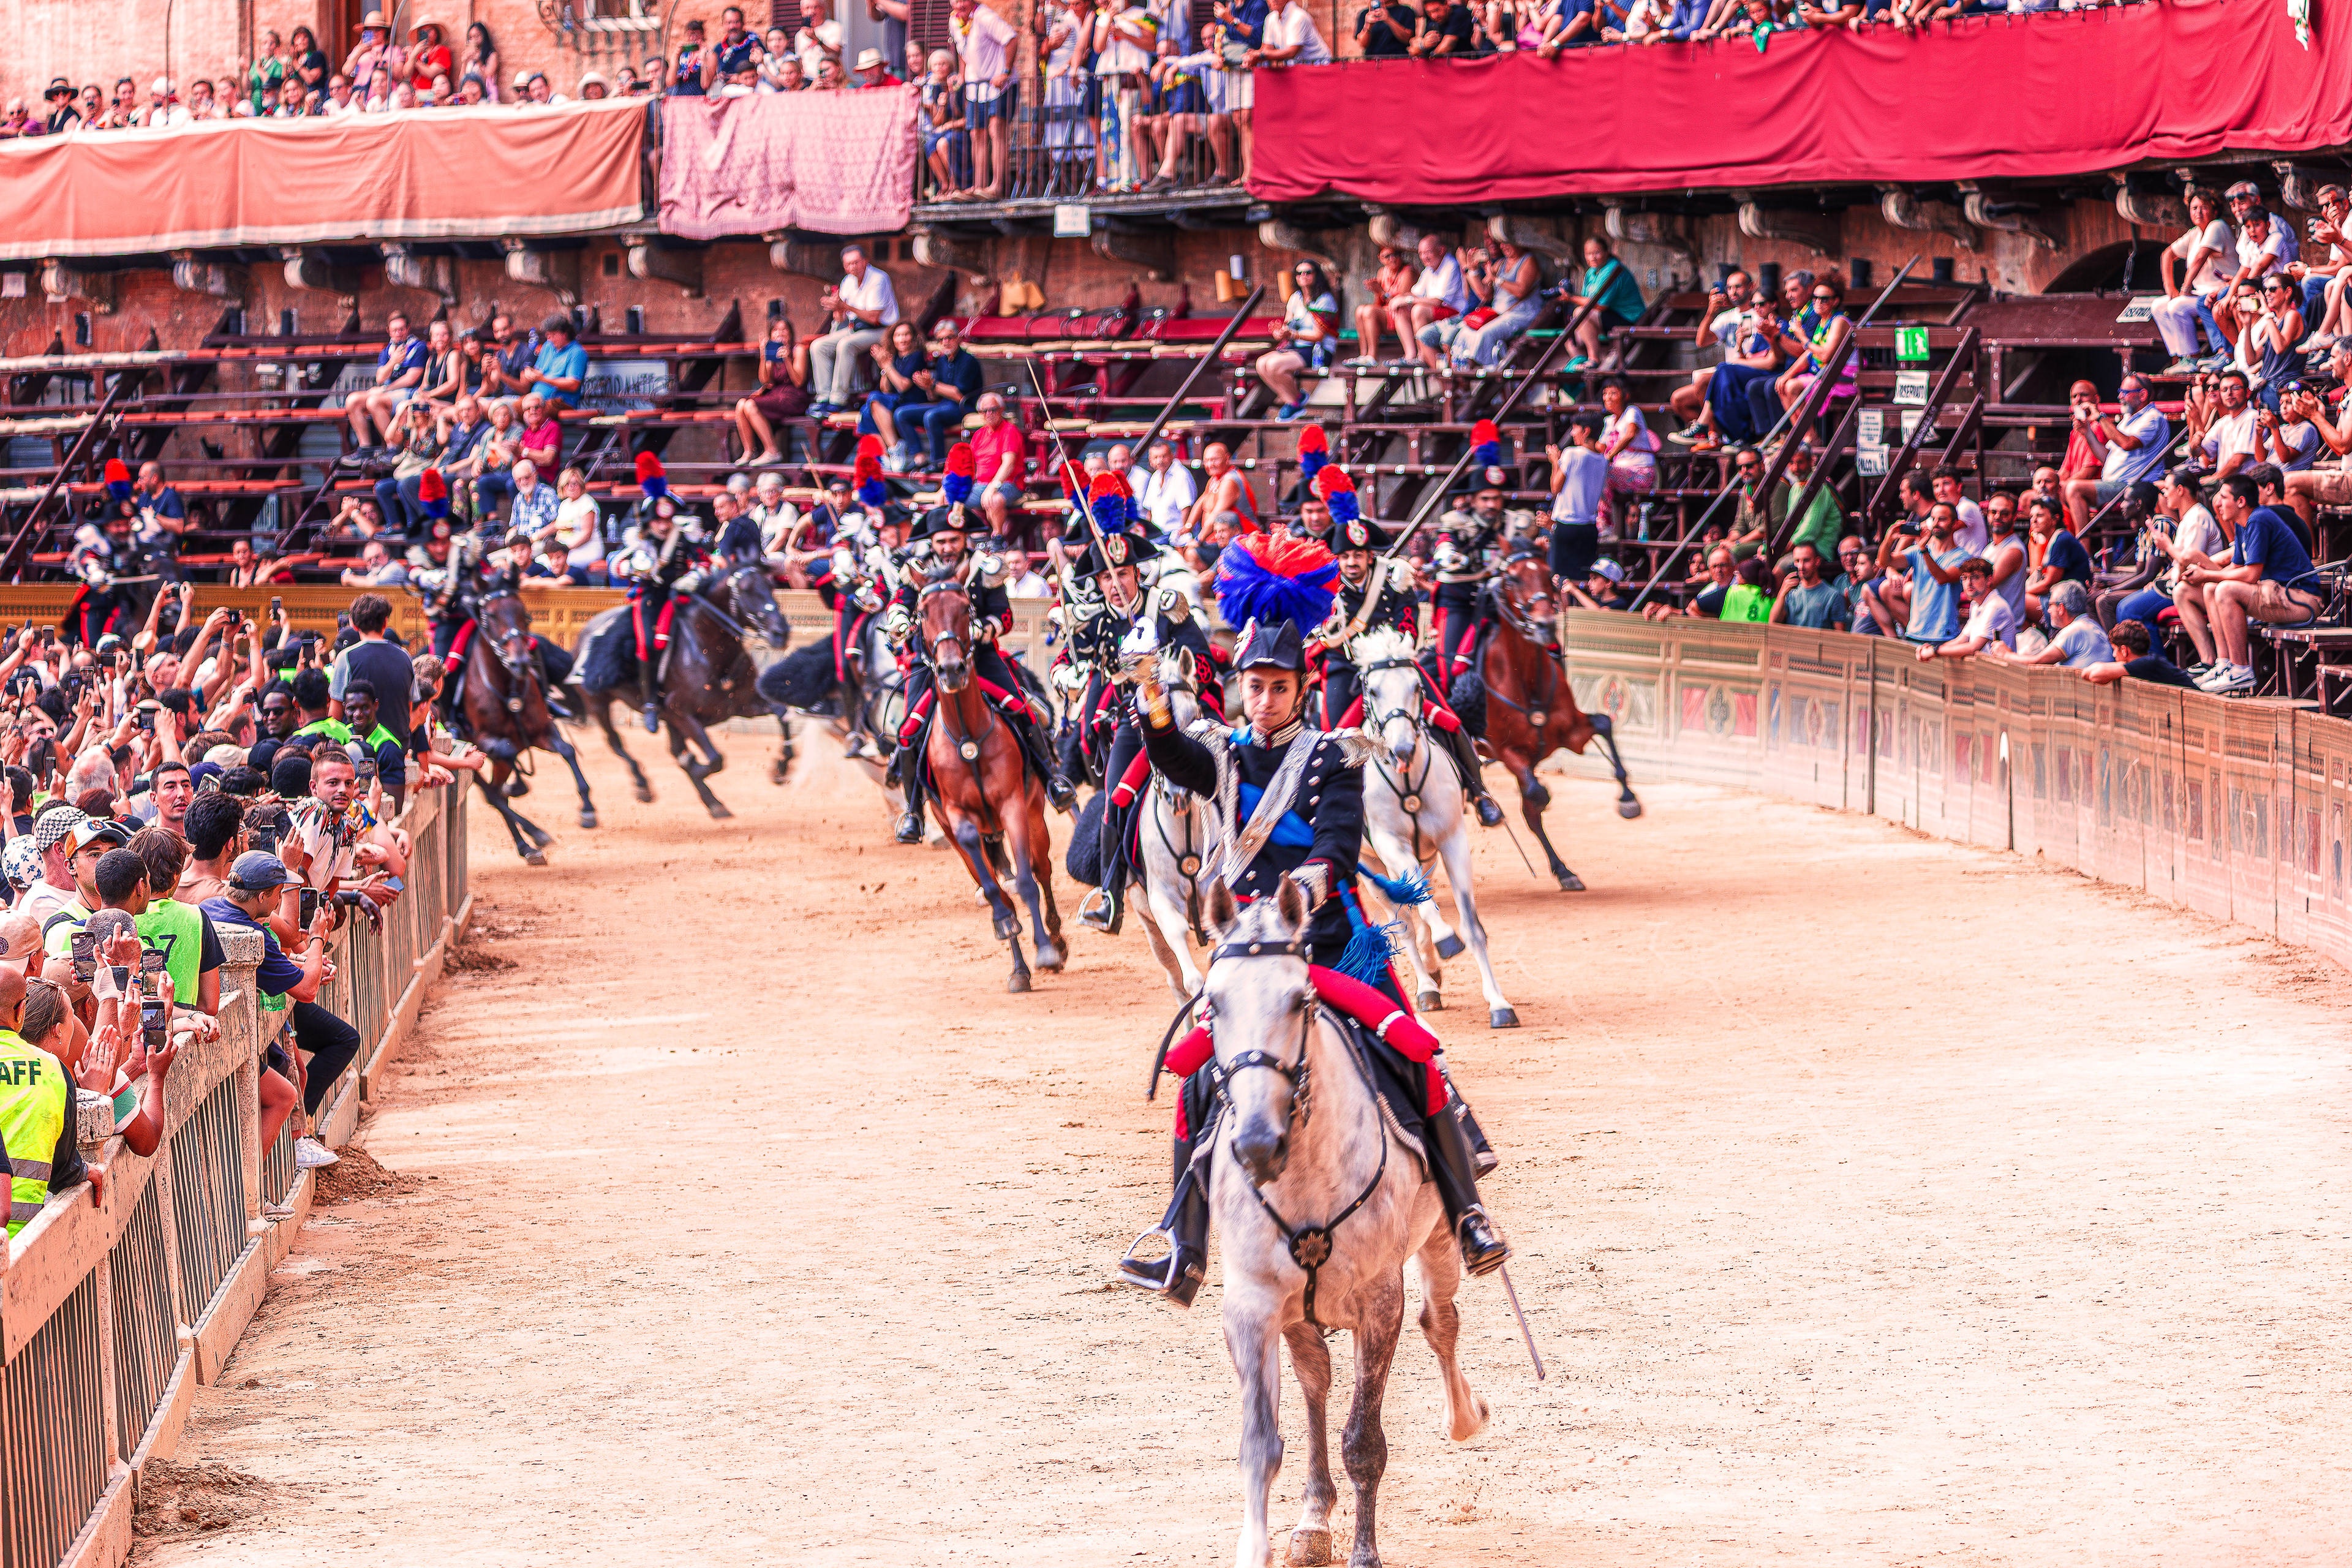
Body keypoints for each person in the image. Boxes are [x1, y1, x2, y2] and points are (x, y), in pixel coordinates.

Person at [1115, 600, 1508, 1306]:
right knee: (1194, 1077)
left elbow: (1335, 843)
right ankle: (1186, 1244)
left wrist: (1298, 893)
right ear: (1238, 688)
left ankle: (1467, 1210)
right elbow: (1172, 756)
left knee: (1416, 1052)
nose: (1263, 701)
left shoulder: (1334, 755)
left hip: (1327, 946)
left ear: (1302, 689)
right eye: (1253, 687)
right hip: (1249, 964)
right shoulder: (1224, 753)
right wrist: (1154, 711)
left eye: (1279, 687)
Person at [884, 497, 1073, 843]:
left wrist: (979, 631)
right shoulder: (916, 570)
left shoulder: (986, 568)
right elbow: (900, 602)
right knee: (909, 728)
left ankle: (1051, 778)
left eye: (953, 541)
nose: (947, 548)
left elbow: (1003, 615)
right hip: (930, 664)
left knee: (1022, 708)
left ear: (964, 539)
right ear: (932, 543)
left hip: (980, 657)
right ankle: (913, 810)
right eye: (941, 541)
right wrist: (898, 619)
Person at [200, 853, 352, 1169]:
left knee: (291, 1078)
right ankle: (250, 1198)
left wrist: (297, 964)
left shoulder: (208, 908)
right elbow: (307, 991)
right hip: (233, 1040)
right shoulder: (254, 934)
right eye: (278, 893)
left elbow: (275, 967)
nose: (279, 901)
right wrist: (318, 939)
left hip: (215, 1032)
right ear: (261, 896)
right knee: (284, 1096)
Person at [2178, 472, 2324, 695]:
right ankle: (2224, 664)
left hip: (2302, 600)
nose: (2218, 502)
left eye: (2224, 497)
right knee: (2210, 589)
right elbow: (2236, 568)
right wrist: (2204, 576)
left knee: (2224, 589)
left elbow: (2251, 575)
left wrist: (2206, 574)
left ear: (2241, 501)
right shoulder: (2241, 523)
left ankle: (2241, 670)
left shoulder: (2260, 519)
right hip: (2277, 593)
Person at [809, 246, 901, 416]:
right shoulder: (847, 281)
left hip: (883, 330)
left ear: (865, 261)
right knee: (818, 346)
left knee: (846, 345)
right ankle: (823, 398)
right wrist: (836, 308)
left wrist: (845, 306)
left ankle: (838, 400)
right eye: (849, 264)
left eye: (856, 262)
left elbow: (874, 318)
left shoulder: (879, 278)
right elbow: (842, 317)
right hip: (857, 328)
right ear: (845, 266)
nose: (853, 267)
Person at [1918, 557, 2015, 662]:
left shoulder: (1995, 606)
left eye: (1975, 578)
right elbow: (1961, 641)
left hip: (1999, 674)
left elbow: (1973, 648)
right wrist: (1933, 649)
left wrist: (1934, 651)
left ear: (1989, 580)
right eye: (1964, 578)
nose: (1969, 583)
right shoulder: (1975, 605)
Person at [2081, 617, 2199, 688]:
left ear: (2124, 650)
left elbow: (2092, 674)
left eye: (2114, 650)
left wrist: (2118, 667)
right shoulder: (2148, 662)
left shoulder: (2147, 663)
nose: (2113, 655)